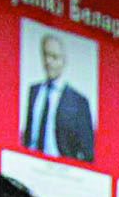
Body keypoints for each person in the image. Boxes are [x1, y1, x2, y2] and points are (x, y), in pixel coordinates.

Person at [22, 33, 97, 161]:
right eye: (45, 55)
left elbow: (87, 151)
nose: (48, 62)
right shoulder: (33, 90)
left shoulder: (79, 101)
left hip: (61, 171)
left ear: (64, 61)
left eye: (54, 57)